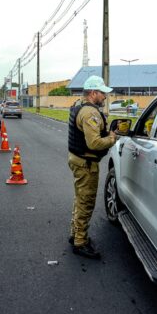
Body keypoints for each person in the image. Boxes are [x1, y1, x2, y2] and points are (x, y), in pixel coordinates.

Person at [68, 75, 118, 259]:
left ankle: (75, 234)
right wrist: (113, 138)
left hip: (77, 159)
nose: (105, 97)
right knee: (86, 202)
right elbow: (94, 143)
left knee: (79, 199)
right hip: (86, 164)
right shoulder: (90, 113)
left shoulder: (78, 106)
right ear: (93, 93)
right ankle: (80, 243)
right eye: (103, 93)